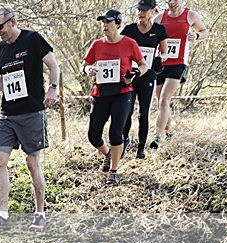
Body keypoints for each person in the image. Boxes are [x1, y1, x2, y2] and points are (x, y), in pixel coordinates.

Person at [0, 7, 60, 231]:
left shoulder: (33, 39)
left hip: (31, 112)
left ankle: (40, 214)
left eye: (0, 27)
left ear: (12, 22)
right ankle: (2, 216)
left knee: (32, 163)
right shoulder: (1, 48)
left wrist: (52, 89)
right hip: (8, 114)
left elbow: (53, 64)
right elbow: (4, 79)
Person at [82, 9, 148, 186]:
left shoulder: (129, 43)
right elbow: (85, 65)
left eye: (108, 22)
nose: (104, 25)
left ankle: (114, 170)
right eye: (103, 22)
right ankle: (108, 154)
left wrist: (135, 73)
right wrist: (88, 70)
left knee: (115, 132)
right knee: (93, 135)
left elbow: (143, 66)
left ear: (118, 24)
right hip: (101, 93)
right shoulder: (97, 44)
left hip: (122, 92)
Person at [151, 0, 209, 149]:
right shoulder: (159, 18)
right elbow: (150, 35)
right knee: (161, 102)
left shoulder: (190, 15)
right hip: (161, 63)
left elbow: (204, 31)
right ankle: (170, 133)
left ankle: (157, 137)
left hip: (178, 63)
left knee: (164, 98)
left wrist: (196, 36)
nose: (172, 2)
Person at [121, 0, 168, 159]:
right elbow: (120, 49)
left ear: (153, 10)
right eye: (139, 9)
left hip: (148, 76)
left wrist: (159, 60)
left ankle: (141, 149)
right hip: (130, 76)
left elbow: (165, 52)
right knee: (126, 112)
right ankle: (124, 143)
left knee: (144, 113)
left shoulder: (159, 29)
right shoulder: (129, 29)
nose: (141, 13)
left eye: (145, 10)